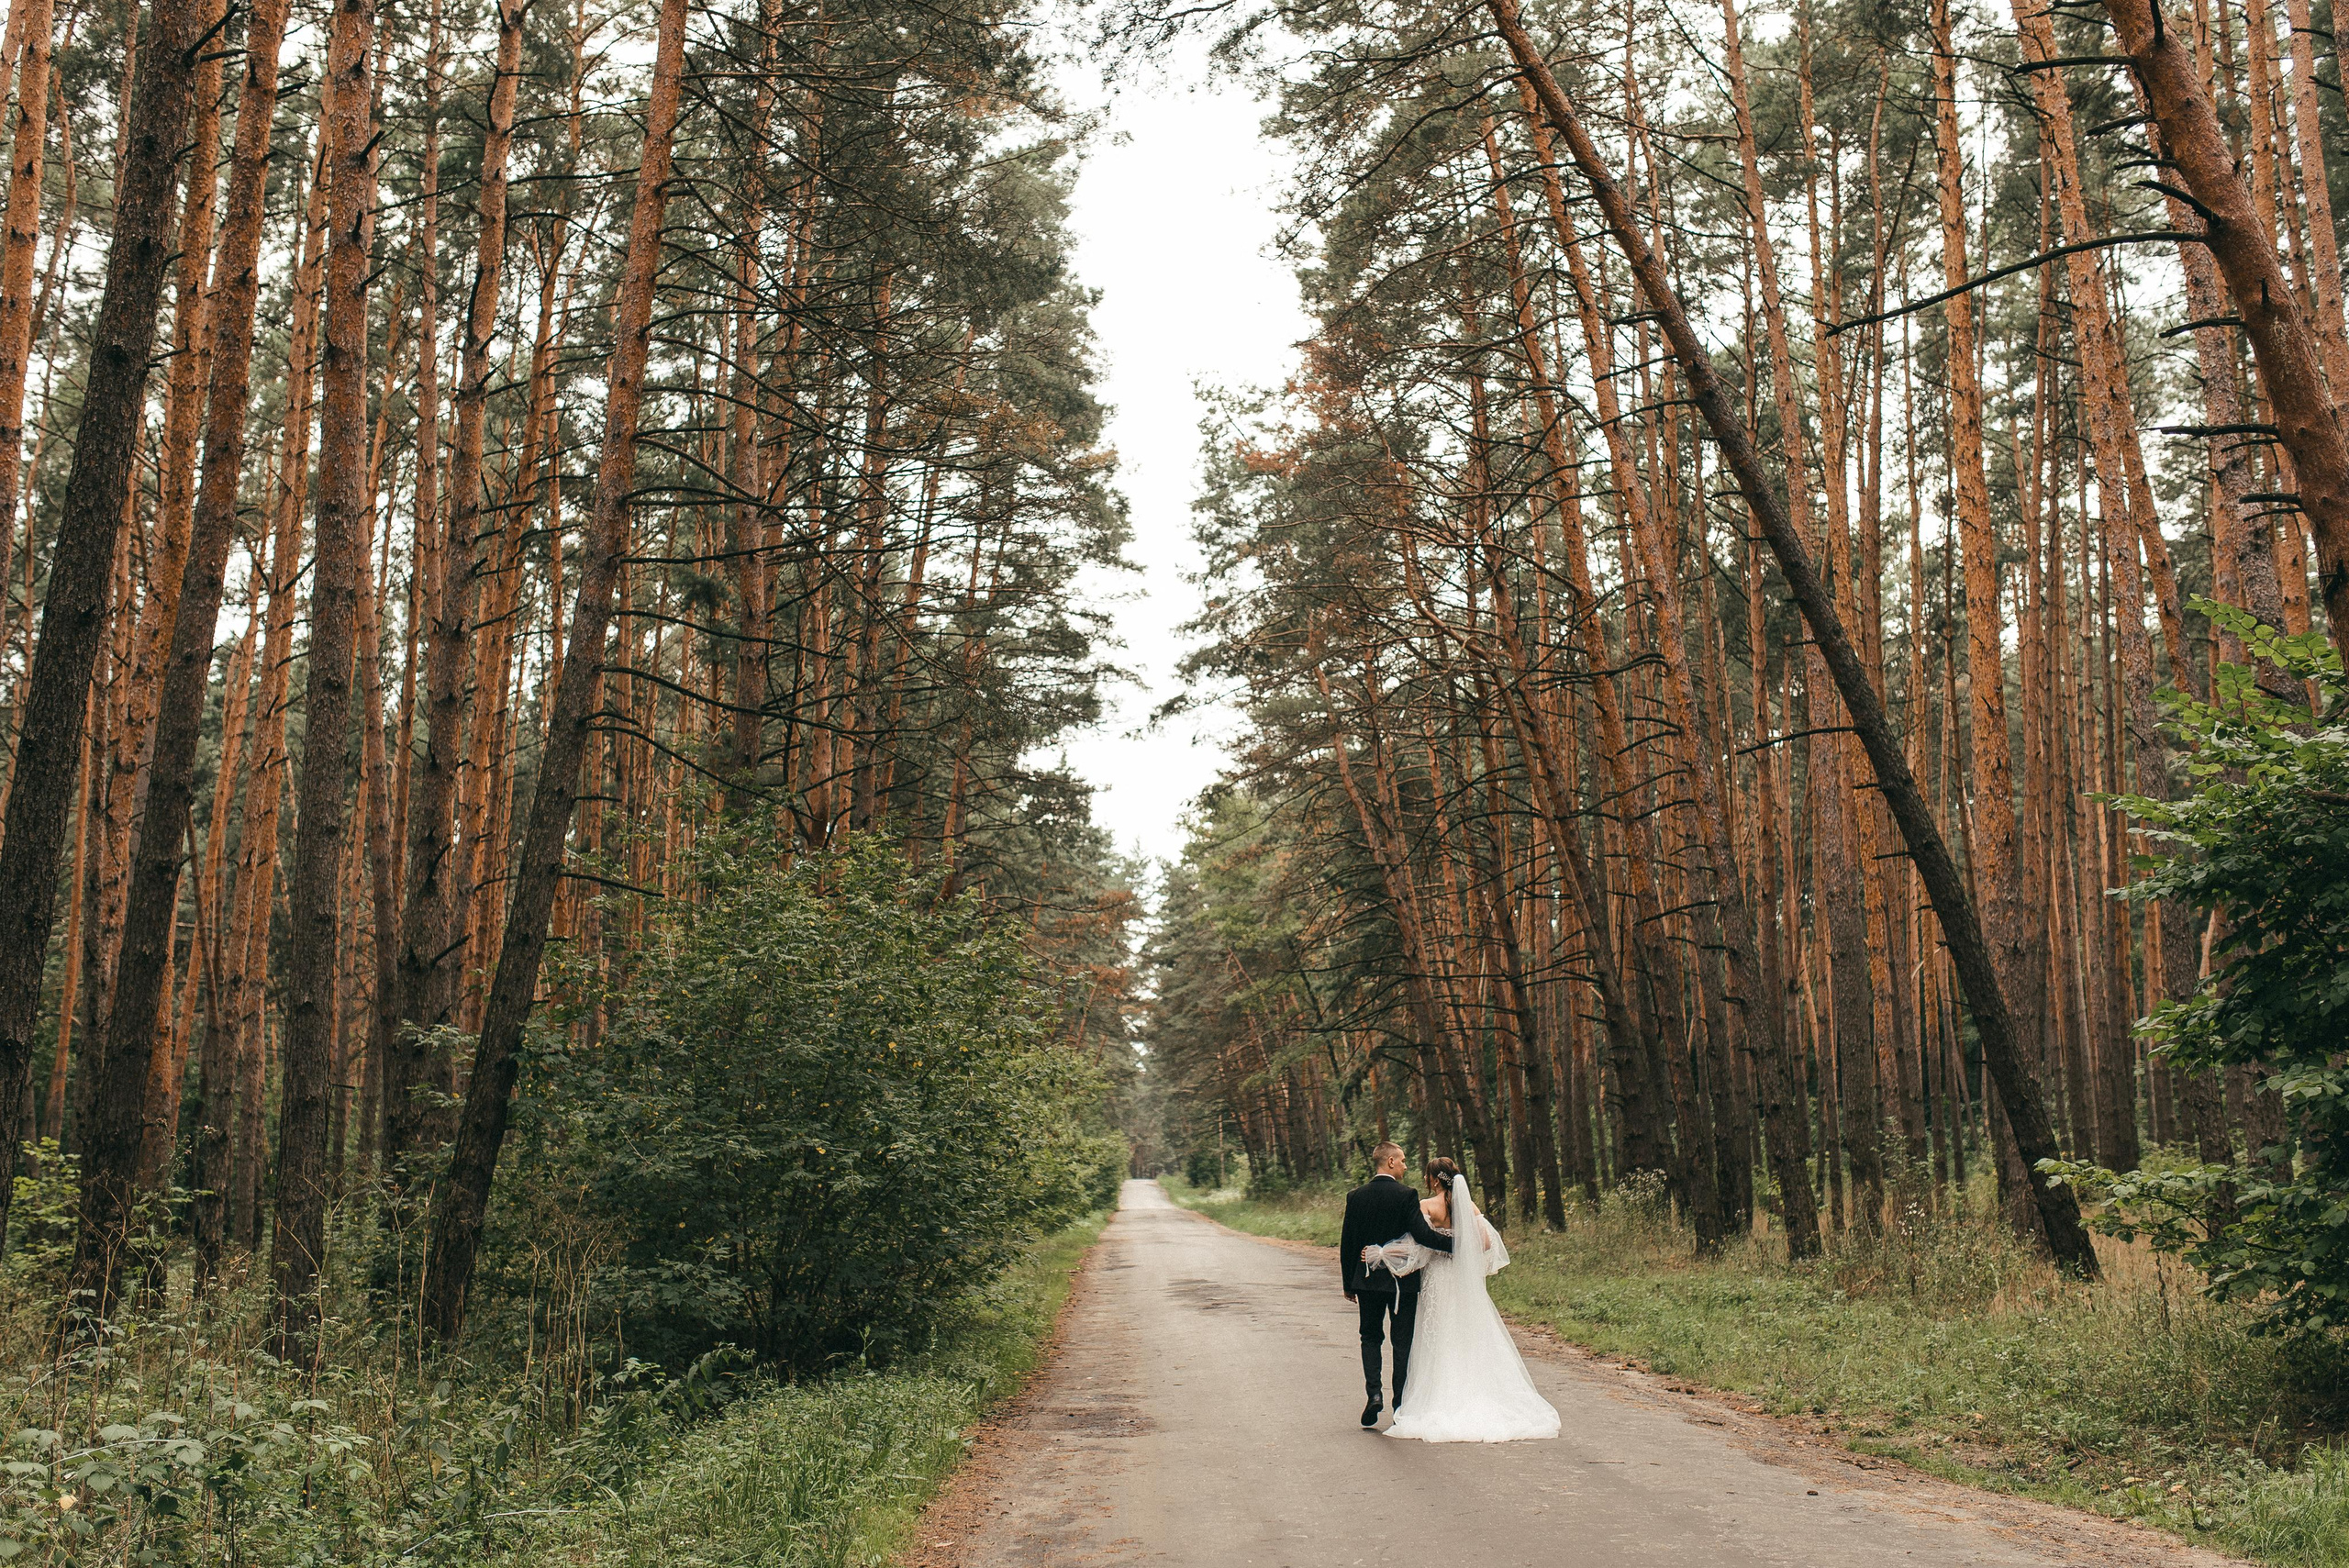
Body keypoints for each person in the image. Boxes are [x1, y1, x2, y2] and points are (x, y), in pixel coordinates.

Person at [1361, 1157, 1560, 1443]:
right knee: (1464, 1331)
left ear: (1434, 1180)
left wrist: (1381, 1254)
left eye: (1427, 1176)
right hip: (1459, 1277)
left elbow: (1418, 1245)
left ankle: (1433, 1396)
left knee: (1436, 1334)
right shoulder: (1469, 1207)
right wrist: (1459, 1244)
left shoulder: (1426, 1205)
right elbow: (1486, 1243)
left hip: (1436, 1277)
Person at [1339, 1141, 1454, 1429]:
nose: (1405, 1165)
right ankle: (1399, 1405)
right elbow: (1423, 1236)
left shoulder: (1356, 1196)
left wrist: (1348, 1283)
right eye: (1402, 1160)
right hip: (1403, 1281)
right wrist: (1457, 1245)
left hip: (1367, 1279)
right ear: (1390, 1161)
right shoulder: (1407, 1195)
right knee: (1402, 1341)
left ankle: (1374, 1394)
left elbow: (1348, 1242)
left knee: (1370, 1337)